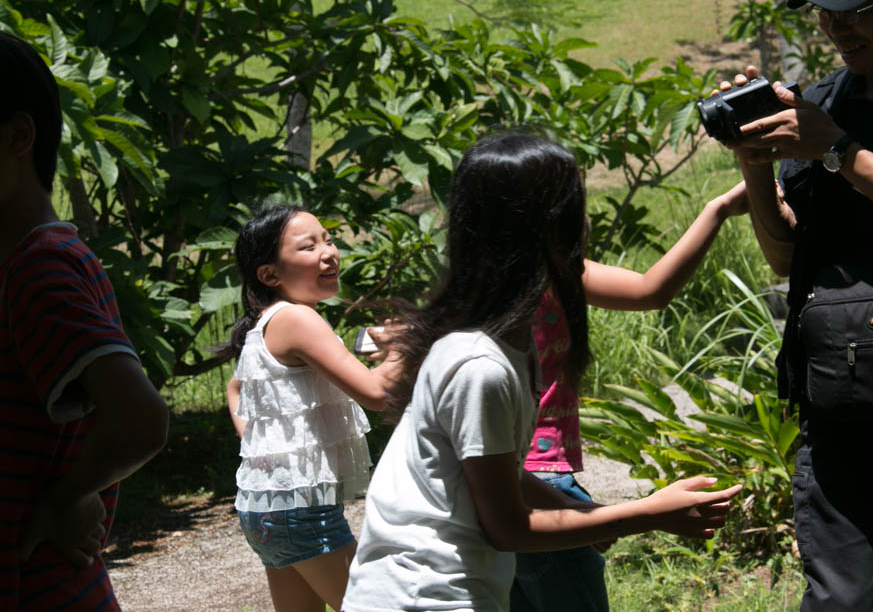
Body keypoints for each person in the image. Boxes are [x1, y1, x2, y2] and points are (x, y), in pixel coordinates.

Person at [341, 132, 743, 612]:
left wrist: (586, 512)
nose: (586, 218)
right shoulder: (479, 366)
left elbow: (506, 475)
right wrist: (644, 514)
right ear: (546, 226)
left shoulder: (498, 345)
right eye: (575, 203)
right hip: (424, 597)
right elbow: (507, 527)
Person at [719, 0, 873, 609]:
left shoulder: (833, 126)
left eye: (856, 11)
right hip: (841, 395)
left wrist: (838, 150)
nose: (836, 27)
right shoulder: (819, 103)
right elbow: (788, 257)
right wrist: (755, 165)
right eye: (824, 12)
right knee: (844, 600)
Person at [511, 180, 748, 612]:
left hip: (496, 494)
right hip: (542, 487)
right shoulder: (554, 275)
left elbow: (649, 290)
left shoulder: (481, 291)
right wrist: (717, 209)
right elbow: (650, 290)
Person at [0, 31, 170, 610]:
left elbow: (141, 419)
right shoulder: (31, 263)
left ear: (18, 136)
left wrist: (65, 498)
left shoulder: (40, 272)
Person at [221, 204, 399, 612]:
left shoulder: (268, 320)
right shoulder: (298, 319)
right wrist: (405, 346)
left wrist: (260, 448)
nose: (329, 252)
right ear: (270, 275)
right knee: (373, 606)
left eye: (329, 239)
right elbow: (375, 393)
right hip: (298, 512)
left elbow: (235, 389)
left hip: (267, 507)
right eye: (308, 246)